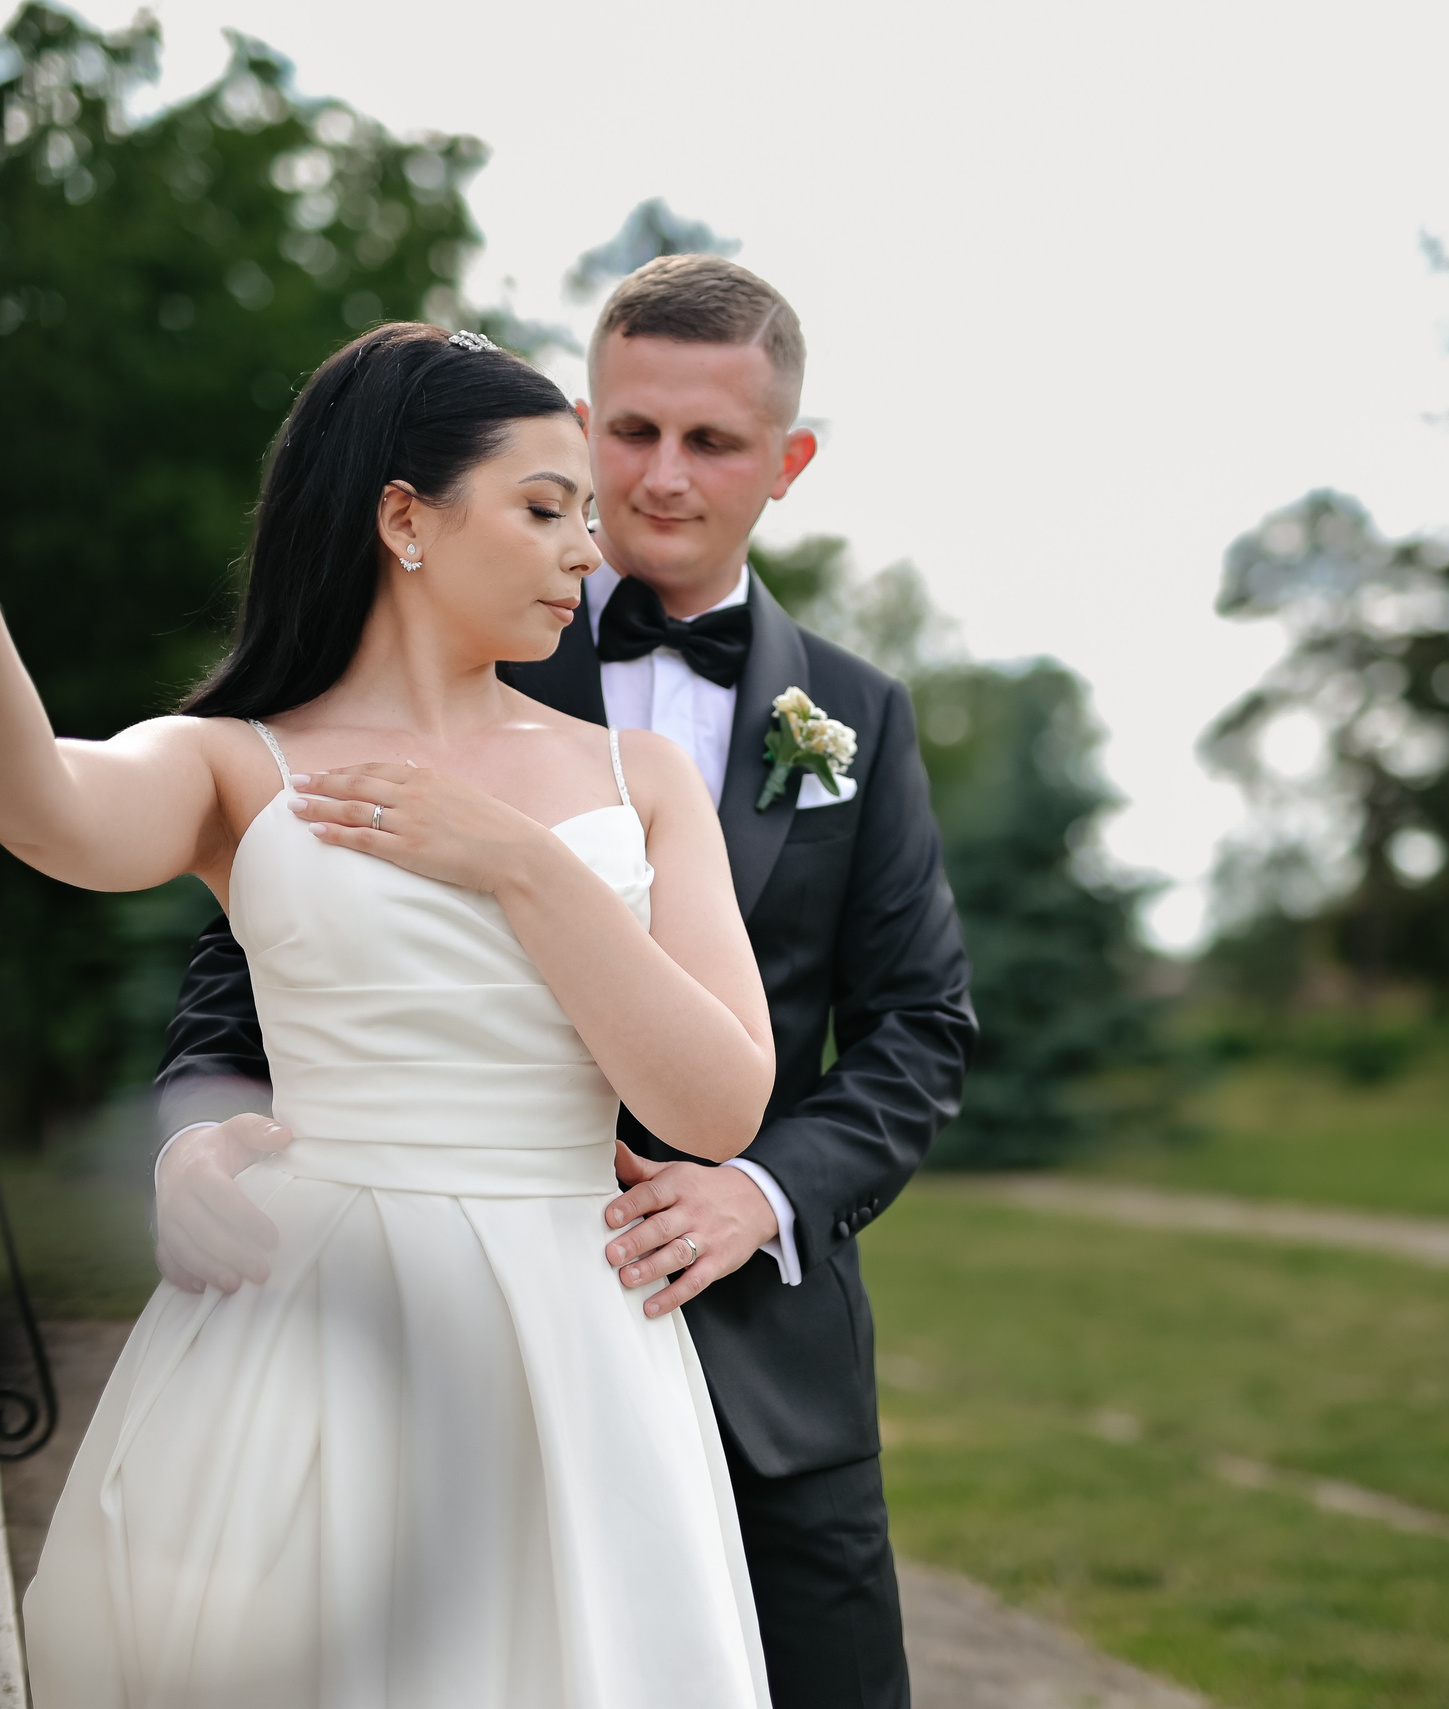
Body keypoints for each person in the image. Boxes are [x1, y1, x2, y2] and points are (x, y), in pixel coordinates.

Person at [0, 323, 782, 1706]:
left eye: (584, 517)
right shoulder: (235, 763)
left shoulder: (644, 778)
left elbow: (717, 1107)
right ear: (405, 519)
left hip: (572, 1336)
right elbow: (41, 803)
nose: (588, 550)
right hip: (308, 1324)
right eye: (546, 508)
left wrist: (522, 864)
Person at [153, 256, 974, 1709]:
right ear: (583, 426)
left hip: (773, 1364)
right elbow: (258, 934)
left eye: (712, 441)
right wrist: (197, 1127)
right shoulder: (453, 648)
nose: (661, 477)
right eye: (631, 431)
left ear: (786, 463)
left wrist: (758, 1192)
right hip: (463, 1346)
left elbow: (917, 1024)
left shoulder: (856, 711)